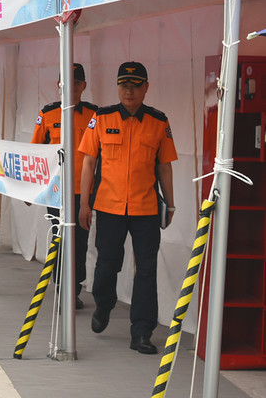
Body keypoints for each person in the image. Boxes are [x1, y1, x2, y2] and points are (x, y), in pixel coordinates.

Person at [78, 61, 177, 355]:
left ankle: (142, 332)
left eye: (135, 85)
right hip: (109, 207)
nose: (129, 91)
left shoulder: (159, 122)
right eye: (124, 85)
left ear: (146, 88)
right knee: (107, 264)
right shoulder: (101, 118)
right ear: (118, 87)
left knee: (146, 270)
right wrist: (84, 204)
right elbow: (88, 163)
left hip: (146, 209)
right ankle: (104, 304)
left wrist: (170, 204)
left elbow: (165, 167)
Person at [30, 63, 97, 310]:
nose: (72, 87)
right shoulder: (47, 114)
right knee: (60, 239)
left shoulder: (95, 115)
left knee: (80, 241)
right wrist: (31, 190)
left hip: (84, 192)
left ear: (84, 86)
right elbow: (35, 153)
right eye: (67, 83)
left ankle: (74, 288)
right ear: (59, 85)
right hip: (56, 192)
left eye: (77, 83)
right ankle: (62, 287)